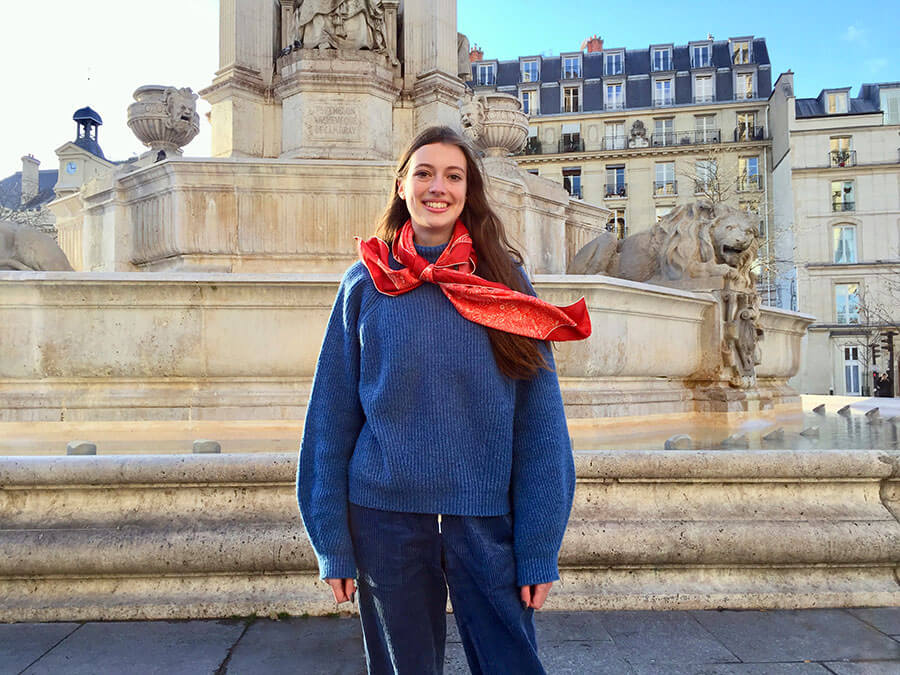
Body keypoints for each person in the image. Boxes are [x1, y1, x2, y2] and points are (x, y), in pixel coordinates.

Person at [297, 125, 591, 674]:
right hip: (383, 515)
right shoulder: (367, 281)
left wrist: (539, 545)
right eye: (424, 173)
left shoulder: (503, 280)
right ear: (402, 187)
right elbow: (332, 415)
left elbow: (540, 423)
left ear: (468, 191)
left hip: (484, 516)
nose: (439, 187)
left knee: (511, 663)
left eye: (453, 175)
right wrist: (331, 539)